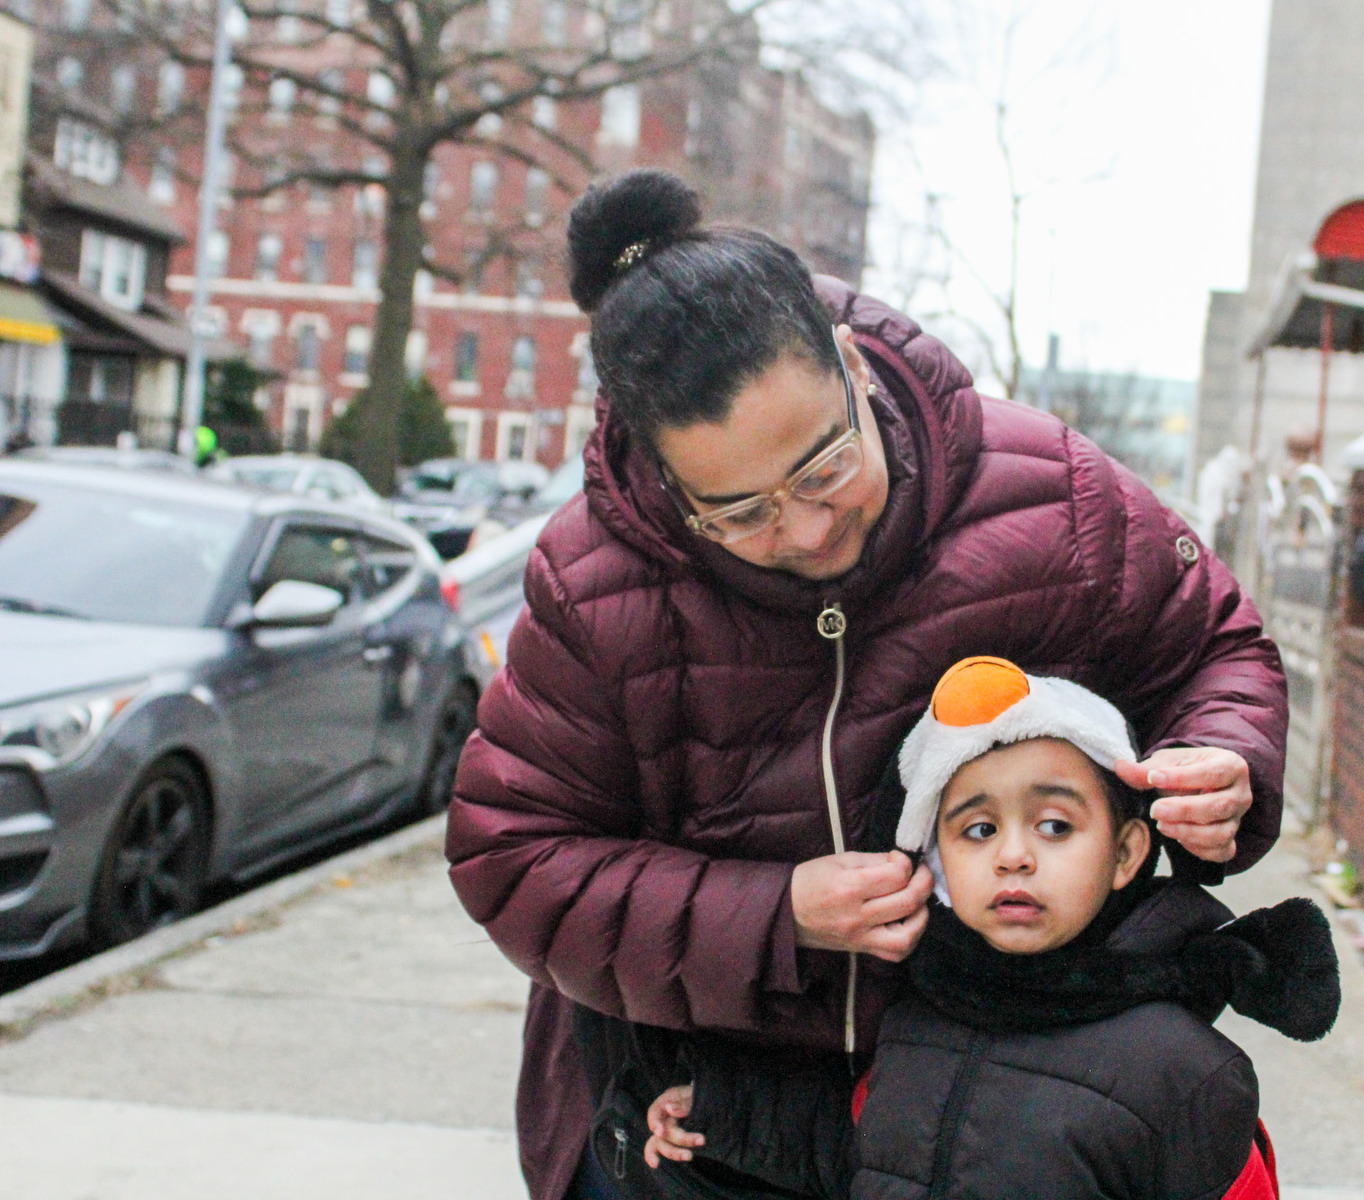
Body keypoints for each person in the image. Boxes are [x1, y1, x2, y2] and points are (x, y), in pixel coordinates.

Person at [446, 168, 1290, 1200]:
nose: (803, 531)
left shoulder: (1052, 498)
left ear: (850, 366)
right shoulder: (593, 585)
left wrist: (1225, 756)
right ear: (666, 479)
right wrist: (774, 912)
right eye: (740, 511)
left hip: (985, 1107)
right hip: (688, 1119)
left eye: (823, 467)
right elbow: (511, 858)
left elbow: (1213, 647)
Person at [638, 658, 1339, 1200]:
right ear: (937, 863)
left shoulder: (1183, 1071)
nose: (1013, 854)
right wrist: (722, 1112)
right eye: (977, 829)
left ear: (1126, 852)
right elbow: (864, 1148)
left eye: (1055, 826)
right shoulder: (919, 1017)